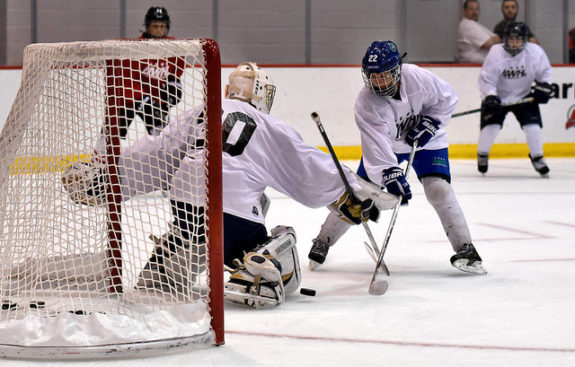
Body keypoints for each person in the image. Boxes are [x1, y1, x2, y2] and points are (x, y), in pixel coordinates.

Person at [63, 62, 384, 308]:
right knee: (280, 229)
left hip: (186, 202)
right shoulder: (268, 125)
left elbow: (157, 153)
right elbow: (304, 165)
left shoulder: (201, 111)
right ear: (259, 92)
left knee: (195, 227)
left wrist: (106, 175)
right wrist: (349, 193)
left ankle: (167, 265)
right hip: (233, 208)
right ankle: (259, 262)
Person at [308, 40, 487, 276]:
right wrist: (389, 173)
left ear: (397, 70)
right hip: (388, 148)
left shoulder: (418, 78)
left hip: (428, 144)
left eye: (384, 76)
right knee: (358, 196)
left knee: (439, 190)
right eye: (373, 77)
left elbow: (446, 99)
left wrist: (431, 122)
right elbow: (377, 148)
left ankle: (467, 250)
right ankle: (323, 240)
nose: (379, 83)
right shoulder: (366, 104)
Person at [94, 7, 184, 155]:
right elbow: (126, 79)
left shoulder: (175, 48)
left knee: (162, 134)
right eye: (155, 26)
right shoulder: (135, 48)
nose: (158, 30)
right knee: (111, 131)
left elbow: (175, 73)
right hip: (129, 99)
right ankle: (99, 162)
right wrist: (142, 98)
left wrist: (174, 85)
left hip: (155, 101)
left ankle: (162, 162)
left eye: (162, 26)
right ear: (148, 26)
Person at [477, 22, 553, 176]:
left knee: (533, 129)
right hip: (499, 98)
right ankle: (482, 155)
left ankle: (537, 157)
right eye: (511, 39)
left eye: (517, 40)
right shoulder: (496, 52)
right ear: (505, 39)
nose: (513, 43)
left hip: (524, 97)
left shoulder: (535, 52)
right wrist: (491, 96)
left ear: (524, 40)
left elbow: (545, 73)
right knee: (490, 129)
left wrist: (544, 86)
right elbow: (486, 79)